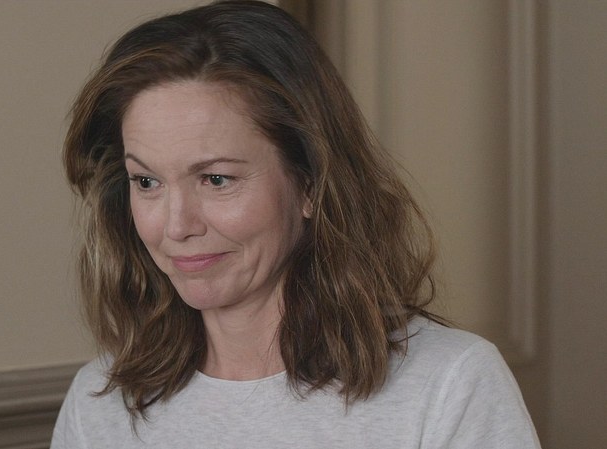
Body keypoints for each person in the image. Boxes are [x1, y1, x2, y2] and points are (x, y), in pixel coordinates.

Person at [51, 1, 541, 447]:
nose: (176, 226)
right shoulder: (100, 402)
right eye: (147, 182)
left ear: (310, 183)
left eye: (217, 179)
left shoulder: (449, 384)